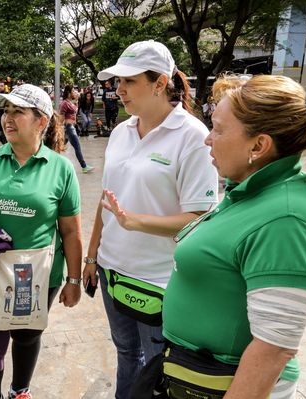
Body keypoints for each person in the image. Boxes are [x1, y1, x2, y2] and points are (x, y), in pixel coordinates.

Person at [161, 75, 306, 399]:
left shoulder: (287, 218)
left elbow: (273, 350)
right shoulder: (251, 192)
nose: (207, 139)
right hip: (198, 375)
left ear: (258, 146)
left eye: (218, 129)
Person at [83, 40, 218, 399]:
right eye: (116, 81)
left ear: (159, 82)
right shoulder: (121, 131)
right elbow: (106, 199)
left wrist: (135, 222)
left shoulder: (192, 137)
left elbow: (200, 216)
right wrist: (92, 255)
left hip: (157, 280)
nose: (119, 89)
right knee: (126, 352)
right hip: (111, 272)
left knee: (158, 364)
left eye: (128, 80)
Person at [0, 84, 82, 399]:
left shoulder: (60, 169)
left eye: (17, 111)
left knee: (27, 335)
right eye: (5, 111)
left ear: (41, 121)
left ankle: (19, 389)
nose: (7, 118)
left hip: (38, 274)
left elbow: (72, 231)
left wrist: (73, 279)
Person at [60, 85, 95, 173]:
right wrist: (59, 127)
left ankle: (48, 161)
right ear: (68, 93)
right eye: (72, 91)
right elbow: (61, 116)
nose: (74, 92)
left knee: (58, 147)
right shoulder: (64, 103)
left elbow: (75, 111)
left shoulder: (70, 102)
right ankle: (84, 166)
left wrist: (76, 100)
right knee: (77, 146)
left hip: (73, 127)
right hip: (69, 127)